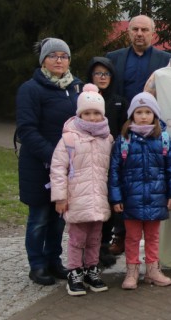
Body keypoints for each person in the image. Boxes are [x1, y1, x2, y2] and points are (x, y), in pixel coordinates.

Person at [16, 38, 83, 286]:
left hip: (68, 167)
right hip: (39, 165)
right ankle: (37, 265)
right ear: (43, 60)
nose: (59, 60)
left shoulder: (76, 88)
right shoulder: (31, 89)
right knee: (40, 218)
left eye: (63, 56)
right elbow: (27, 130)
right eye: (53, 55)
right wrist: (55, 157)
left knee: (59, 218)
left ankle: (54, 261)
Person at [109, 92, 171, 289]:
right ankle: (132, 271)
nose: (143, 116)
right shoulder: (124, 140)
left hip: (156, 197)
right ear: (132, 115)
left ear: (155, 115)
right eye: (139, 112)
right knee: (132, 237)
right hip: (130, 198)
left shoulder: (163, 139)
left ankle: (152, 270)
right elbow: (114, 171)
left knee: (153, 237)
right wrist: (115, 198)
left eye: (147, 112)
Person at [49, 84, 113, 296]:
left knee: (95, 237)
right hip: (77, 198)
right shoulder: (69, 138)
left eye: (96, 113)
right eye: (87, 113)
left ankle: (91, 270)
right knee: (77, 239)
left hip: (98, 198)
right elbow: (58, 168)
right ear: (79, 113)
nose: (92, 117)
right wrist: (60, 197)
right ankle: (74, 272)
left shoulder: (107, 138)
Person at [85, 57, 128, 267]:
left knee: (109, 206)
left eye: (106, 73)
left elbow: (123, 132)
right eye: (98, 74)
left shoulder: (120, 101)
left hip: (111, 161)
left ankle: (102, 247)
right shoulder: (84, 99)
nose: (102, 78)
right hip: (87, 161)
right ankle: (87, 250)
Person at [106, 15, 171, 103]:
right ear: (129, 32)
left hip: (153, 114)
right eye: (135, 29)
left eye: (144, 30)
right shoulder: (113, 58)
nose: (139, 34)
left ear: (153, 33)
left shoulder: (167, 60)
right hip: (121, 114)